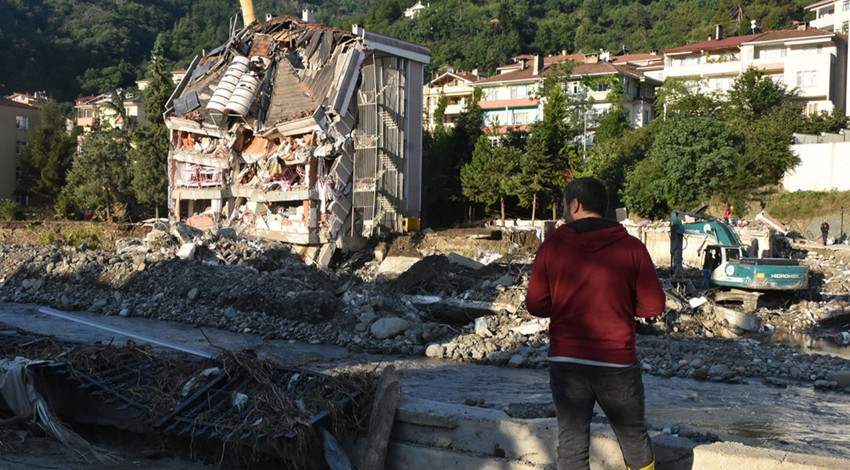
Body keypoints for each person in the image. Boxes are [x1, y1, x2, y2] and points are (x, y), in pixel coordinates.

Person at [525, 177, 665, 470]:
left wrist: (564, 305)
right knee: (633, 438)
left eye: (563, 206)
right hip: (617, 361)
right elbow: (653, 307)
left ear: (574, 205)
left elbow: (535, 305)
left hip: (566, 361)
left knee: (572, 442)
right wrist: (621, 305)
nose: (563, 211)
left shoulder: (552, 247)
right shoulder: (632, 248)